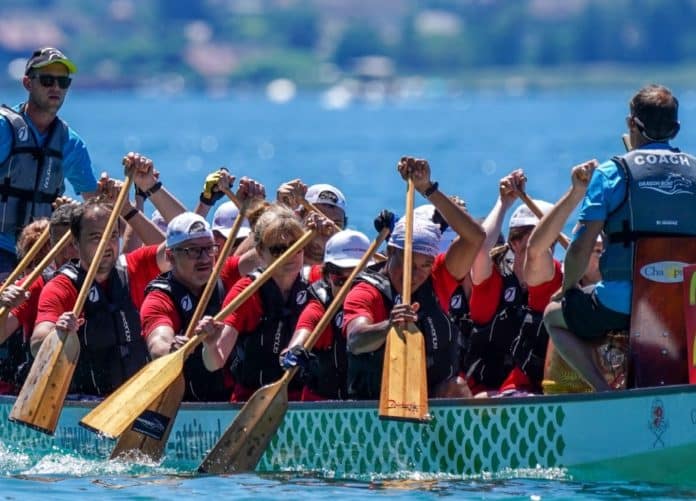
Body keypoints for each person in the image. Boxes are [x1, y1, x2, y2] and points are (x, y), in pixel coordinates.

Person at [543, 84, 696, 391]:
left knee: (552, 315)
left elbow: (580, 249)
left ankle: (604, 391)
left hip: (623, 304)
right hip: (687, 302)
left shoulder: (614, 172)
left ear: (631, 123)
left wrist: (568, 288)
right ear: (676, 129)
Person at [342, 156, 485, 399]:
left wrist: (428, 189)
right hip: (378, 405)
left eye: (424, 266)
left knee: (457, 387)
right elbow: (356, 340)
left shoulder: (438, 278)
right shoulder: (366, 291)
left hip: (430, 400)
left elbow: (475, 237)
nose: (415, 275)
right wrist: (388, 326)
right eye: (409, 264)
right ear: (390, 253)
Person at [30, 160, 173, 397]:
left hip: (134, 400)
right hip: (84, 402)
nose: (107, 245)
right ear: (75, 243)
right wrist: (56, 333)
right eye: (96, 237)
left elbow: (183, 241)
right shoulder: (62, 286)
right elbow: (38, 341)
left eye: (112, 235)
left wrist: (148, 188)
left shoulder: (133, 268)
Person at [139, 179, 266, 402]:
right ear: (170, 256)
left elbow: (267, 251)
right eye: (193, 251)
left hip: (228, 400)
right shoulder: (159, 297)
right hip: (180, 402)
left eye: (209, 249)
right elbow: (158, 342)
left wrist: (261, 210)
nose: (205, 258)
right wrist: (170, 348)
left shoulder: (223, 274)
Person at [198, 204, 333, 402]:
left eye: (296, 247)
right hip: (250, 400)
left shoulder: (317, 280)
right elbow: (214, 363)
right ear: (260, 252)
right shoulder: (246, 291)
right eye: (278, 249)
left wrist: (330, 239)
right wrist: (209, 344)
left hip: (304, 402)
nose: (289, 255)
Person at [0, 47, 98, 278]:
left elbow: (94, 204)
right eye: (46, 80)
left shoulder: (71, 143)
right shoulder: (4, 130)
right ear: (27, 83)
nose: (55, 87)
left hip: (44, 254)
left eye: (63, 82)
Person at [464, 169, 560, 396]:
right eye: (538, 239)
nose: (546, 249)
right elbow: (479, 250)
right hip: (485, 392)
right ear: (515, 243)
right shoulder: (493, 281)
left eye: (552, 240)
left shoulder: (556, 277)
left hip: (537, 391)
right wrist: (503, 203)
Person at [282, 229, 372, 401]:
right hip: (322, 406)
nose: (347, 288)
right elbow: (299, 337)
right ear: (327, 275)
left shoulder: (382, 296)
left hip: (370, 404)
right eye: (339, 278)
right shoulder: (319, 307)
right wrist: (291, 354)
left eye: (356, 279)